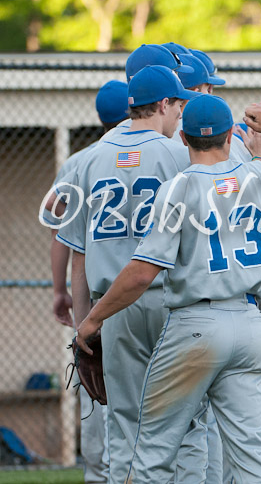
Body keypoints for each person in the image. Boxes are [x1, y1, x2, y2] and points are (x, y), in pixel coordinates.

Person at [76, 93, 261, 482]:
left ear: (183, 139)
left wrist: (93, 319)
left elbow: (142, 273)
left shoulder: (178, 189)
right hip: (249, 323)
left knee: (152, 452)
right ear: (231, 136)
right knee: (253, 457)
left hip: (194, 325)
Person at [56, 66, 203, 483]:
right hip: (172, 302)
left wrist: (84, 325)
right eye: (178, 104)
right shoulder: (177, 154)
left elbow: (78, 255)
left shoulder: (88, 159)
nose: (180, 113)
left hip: (112, 308)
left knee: (123, 426)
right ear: (163, 105)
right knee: (188, 425)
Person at [42, 79, 128, 484]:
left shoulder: (80, 162)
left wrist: (60, 291)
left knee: (98, 398)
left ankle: (98, 475)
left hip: (94, 296)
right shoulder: (163, 151)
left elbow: (61, 230)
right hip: (148, 293)